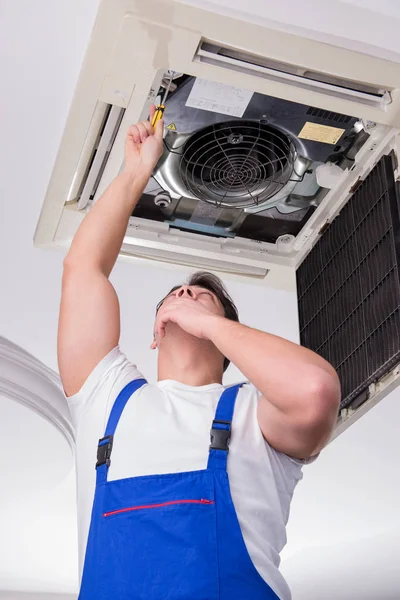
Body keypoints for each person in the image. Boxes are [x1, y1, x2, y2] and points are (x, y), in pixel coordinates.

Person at [58, 106, 341, 600]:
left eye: (202, 297)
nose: (186, 295)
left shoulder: (256, 412)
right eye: (176, 294)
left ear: (228, 336)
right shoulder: (108, 397)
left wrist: (208, 324)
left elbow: (315, 390)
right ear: (155, 329)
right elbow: (84, 268)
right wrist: (134, 174)